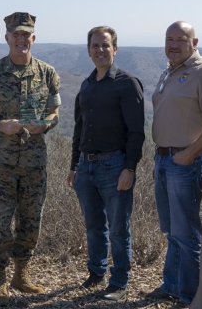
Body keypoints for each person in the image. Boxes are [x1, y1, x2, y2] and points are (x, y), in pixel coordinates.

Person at [0, 12, 61, 305]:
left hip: (34, 163)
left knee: (30, 221)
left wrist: (45, 125)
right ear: (7, 38)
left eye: (26, 35)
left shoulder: (47, 73)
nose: (21, 40)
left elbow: (54, 113)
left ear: (33, 38)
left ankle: (21, 274)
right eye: (16, 35)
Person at [146, 21, 202, 308]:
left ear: (194, 43)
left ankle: (192, 296)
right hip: (164, 159)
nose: (173, 45)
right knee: (173, 231)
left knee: (187, 233)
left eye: (180, 39)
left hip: (185, 161)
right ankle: (172, 285)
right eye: (169, 39)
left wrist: (190, 153)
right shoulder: (170, 71)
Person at [66, 26, 145, 301]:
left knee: (118, 226)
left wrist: (130, 168)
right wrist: (74, 165)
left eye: (105, 45)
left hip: (115, 165)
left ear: (115, 48)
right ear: (88, 50)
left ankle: (119, 281)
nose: (100, 50)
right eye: (95, 45)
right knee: (93, 224)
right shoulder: (87, 84)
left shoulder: (127, 83)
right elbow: (80, 128)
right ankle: (96, 271)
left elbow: (136, 131)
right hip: (86, 167)